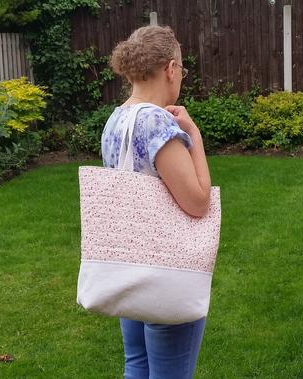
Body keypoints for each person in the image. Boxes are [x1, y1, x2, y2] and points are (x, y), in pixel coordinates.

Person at [101, 25, 212, 379]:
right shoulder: (157, 124)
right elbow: (198, 201)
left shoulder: (115, 119)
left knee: (136, 365)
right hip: (166, 271)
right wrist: (194, 134)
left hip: (129, 267)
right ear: (170, 69)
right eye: (182, 70)